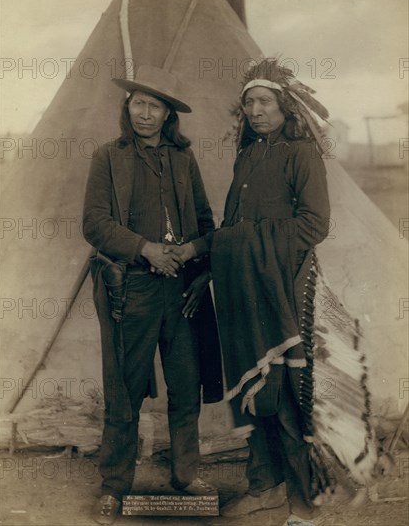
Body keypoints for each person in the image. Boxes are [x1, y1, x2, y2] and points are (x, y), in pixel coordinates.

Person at [179, 58, 331, 524]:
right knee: (252, 388)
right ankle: (264, 486)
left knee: (285, 390)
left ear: (284, 105)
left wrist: (241, 247)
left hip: (281, 285)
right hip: (242, 284)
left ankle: (304, 504)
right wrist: (208, 265)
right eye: (248, 103)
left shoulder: (301, 153)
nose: (256, 110)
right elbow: (233, 227)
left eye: (264, 101)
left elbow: (314, 225)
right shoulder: (247, 155)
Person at [83, 65, 222, 525]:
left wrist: (190, 253)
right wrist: (145, 249)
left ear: (167, 115)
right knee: (124, 391)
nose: (145, 113)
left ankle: (185, 474)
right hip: (133, 291)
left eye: (155, 106)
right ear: (128, 108)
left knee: (186, 388)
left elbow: (207, 226)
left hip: (181, 293)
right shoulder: (108, 157)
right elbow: (96, 224)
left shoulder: (183, 159)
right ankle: (115, 486)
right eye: (139, 103)